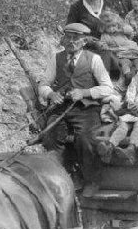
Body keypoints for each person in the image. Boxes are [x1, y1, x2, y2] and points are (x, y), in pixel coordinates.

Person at [38, 23, 119, 186]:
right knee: (50, 136)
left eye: (76, 38)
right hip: (60, 107)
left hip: (86, 108)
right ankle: (60, 178)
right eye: (68, 37)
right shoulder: (56, 58)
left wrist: (84, 93)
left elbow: (107, 87)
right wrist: (51, 94)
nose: (71, 41)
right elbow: (43, 84)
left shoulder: (94, 59)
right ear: (63, 39)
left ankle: (91, 180)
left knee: (86, 139)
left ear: (84, 41)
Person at [98, 9, 138, 84]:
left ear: (118, 24)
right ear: (104, 27)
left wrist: (120, 29)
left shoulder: (121, 32)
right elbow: (103, 45)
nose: (112, 29)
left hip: (131, 50)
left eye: (114, 26)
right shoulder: (105, 35)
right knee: (124, 62)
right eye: (109, 27)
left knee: (136, 59)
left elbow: (130, 31)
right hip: (120, 54)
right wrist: (108, 47)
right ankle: (127, 75)